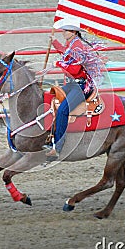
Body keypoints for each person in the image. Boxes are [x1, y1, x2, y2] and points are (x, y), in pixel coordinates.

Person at [43, 17, 102, 161]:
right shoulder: (72, 44)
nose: (63, 32)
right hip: (75, 84)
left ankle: (58, 146)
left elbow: (75, 69)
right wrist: (55, 42)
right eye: (63, 30)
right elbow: (66, 53)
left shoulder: (77, 46)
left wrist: (58, 63)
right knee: (53, 99)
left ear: (74, 32)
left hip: (82, 85)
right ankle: (50, 135)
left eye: (66, 30)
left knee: (63, 109)